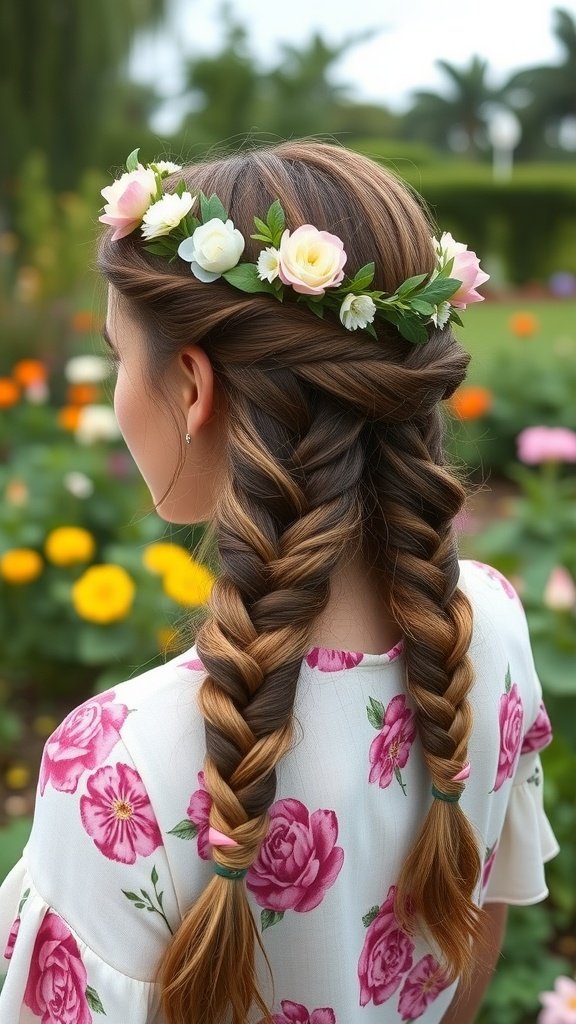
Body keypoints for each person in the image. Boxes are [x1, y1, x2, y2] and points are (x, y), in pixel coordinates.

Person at [0, 141, 559, 1024]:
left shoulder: (117, 764)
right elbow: (474, 934)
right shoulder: (486, 622)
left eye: (117, 357)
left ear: (191, 386)